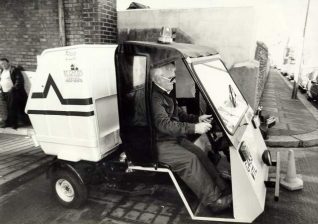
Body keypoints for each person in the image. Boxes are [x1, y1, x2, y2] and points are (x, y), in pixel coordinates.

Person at [151, 62, 232, 213]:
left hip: (171, 138)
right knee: (190, 160)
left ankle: (221, 186)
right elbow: (164, 125)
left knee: (199, 153)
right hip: (158, 143)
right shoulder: (154, 98)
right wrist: (194, 128)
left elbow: (180, 115)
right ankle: (214, 200)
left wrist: (197, 119)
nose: (175, 81)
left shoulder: (166, 93)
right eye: (171, 78)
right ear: (158, 79)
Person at [0, 58, 28, 129]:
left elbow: (19, 81)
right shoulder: (2, 71)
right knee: (6, 109)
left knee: (13, 108)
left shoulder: (14, 69)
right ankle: (7, 123)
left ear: (8, 62)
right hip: (4, 92)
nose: (3, 65)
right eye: (1, 64)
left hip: (13, 93)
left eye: (4, 63)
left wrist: (12, 89)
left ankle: (14, 124)